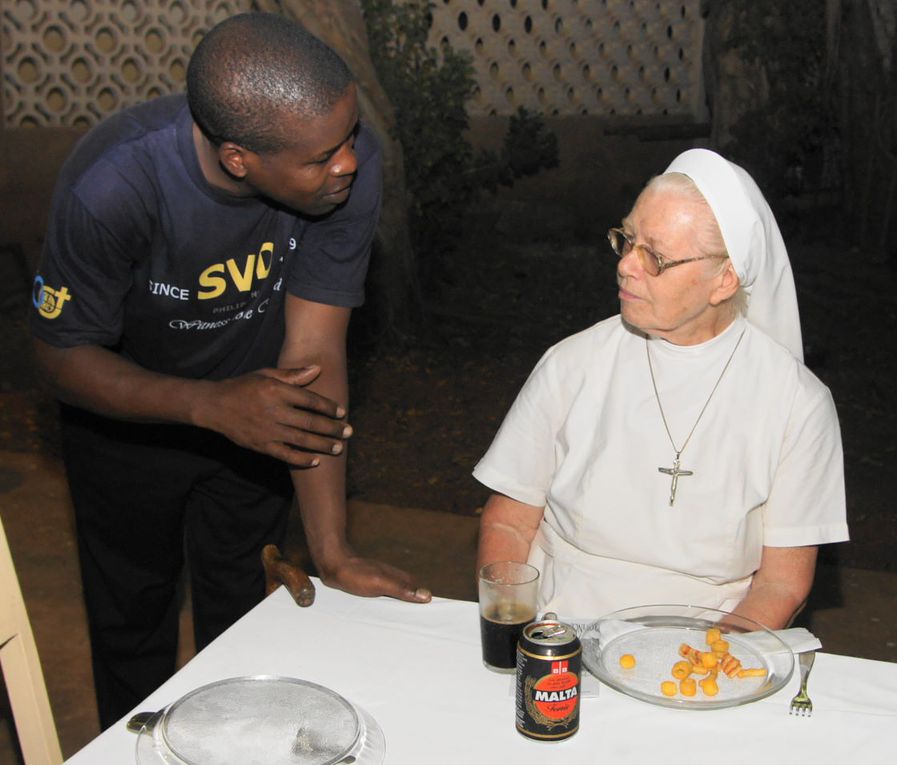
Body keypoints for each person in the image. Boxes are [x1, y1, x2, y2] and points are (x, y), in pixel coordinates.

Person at [29, 12, 430, 729]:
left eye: (349, 137)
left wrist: (332, 550)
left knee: (244, 618)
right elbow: (60, 355)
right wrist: (208, 404)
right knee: (133, 624)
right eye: (320, 156)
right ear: (239, 157)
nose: (347, 163)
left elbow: (312, 358)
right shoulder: (114, 185)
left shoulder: (342, 175)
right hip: (128, 426)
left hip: (257, 420)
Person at [473, 148, 848, 630]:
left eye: (655, 256)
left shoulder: (798, 405)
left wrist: (708, 665)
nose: (627, 265)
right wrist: (514, 624)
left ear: (724, 280)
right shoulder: (571, 364)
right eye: (627, 240)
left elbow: (781, 584)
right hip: (558, 624)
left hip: (709, 635)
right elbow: (509, 521)